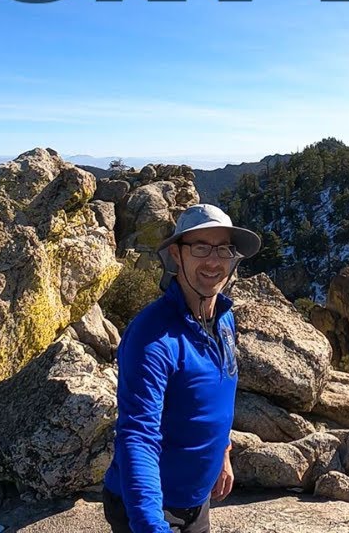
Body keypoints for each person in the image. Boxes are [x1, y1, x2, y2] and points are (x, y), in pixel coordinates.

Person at [102, 204, 261, 533]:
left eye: (225, 250)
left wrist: (224, 452)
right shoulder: (153, 338)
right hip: (154, 508)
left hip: (196, 500)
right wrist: (150, 525)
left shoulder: (224, 318)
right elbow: (138, 438)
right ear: (176, 255)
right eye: (201, 248)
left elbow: (218, 394)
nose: (214, 262)